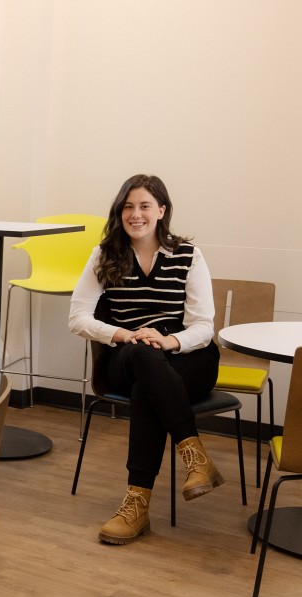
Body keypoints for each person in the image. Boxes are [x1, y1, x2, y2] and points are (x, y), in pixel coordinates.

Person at [69, 174, 222, 545]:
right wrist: (127, 335)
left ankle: (136, 506)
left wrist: (168, 341)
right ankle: (195, 455)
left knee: (147, 390)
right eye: (128, 207)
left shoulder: (188, 255)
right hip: (125, 356)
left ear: (161, 211)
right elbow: (77, 318)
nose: (135, 214)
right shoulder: (105, 254)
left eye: (144, 206)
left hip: (185, 356)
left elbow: (204, 325)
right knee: (141, 356)